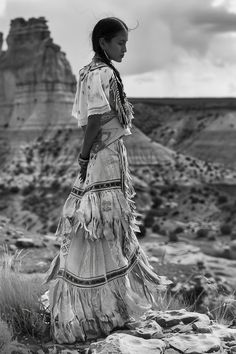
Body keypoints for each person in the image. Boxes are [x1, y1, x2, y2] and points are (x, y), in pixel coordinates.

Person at [44, 17, 170, 344]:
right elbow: (96, 119)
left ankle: (106, 309)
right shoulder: (100, 73)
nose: (125, 49)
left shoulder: (99, 72)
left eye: (126, 43)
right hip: (103, 159)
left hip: (110, 159)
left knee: (104, 229)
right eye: (120, 43)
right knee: (96, 224)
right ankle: (94, 313)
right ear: (103, 42)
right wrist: (84, 157)